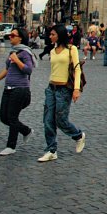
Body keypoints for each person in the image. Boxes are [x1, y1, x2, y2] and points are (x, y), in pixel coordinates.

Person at [37, 24, 85, 162]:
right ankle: (51, 150)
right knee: (48, 120)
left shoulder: (72, 49)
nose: (50, 36)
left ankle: (78, 135)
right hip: (51, 87)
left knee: (61, 120)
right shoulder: (52, 51)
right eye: (50, 34)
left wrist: (76, 89)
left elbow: (77, 69)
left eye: (53, 34)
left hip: (64, 89)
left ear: (60, 35)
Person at [0, 27, 36, 155]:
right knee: (4, 117)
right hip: (8, 88)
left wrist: (17, 60)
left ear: (21, 38)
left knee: (12, 118)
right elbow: (7, 70)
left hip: (20, 89)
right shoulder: (12, 52)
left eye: (13, 35)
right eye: (10, 35)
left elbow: (28, 70)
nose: (10, 37)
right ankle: (26, 131)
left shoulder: (25, 53)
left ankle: (11, 146)